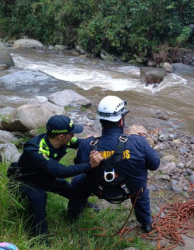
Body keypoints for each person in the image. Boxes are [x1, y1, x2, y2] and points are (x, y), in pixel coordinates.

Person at [68, 96, 160, 233]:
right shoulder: (138, 142)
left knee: (77, 182)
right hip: (131, 190)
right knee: (141, 192)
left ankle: (73, 216)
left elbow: (79, 167)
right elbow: (154, 165)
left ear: (101, 120)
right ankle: (146, 223)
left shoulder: (87, 145)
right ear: (121, 120)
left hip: (98, 189)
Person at [9, 115, 103, 237]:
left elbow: (83, 143)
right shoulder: (34, 150)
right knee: (39, 196)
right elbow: (60, 171)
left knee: (69, 188)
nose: (74, 136)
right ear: (61, 137)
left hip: (45, 176)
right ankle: (40, 237)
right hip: (24, 181)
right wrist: (90, 165)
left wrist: (99, 141)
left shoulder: (63, 140)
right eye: (72, 133)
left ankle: (83, 204)